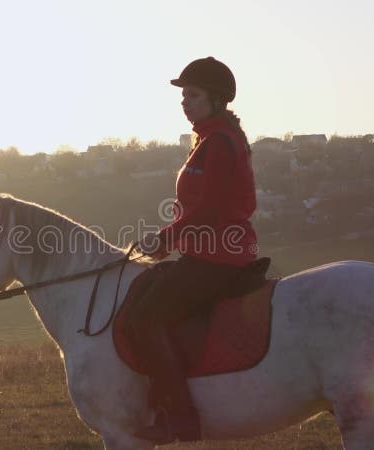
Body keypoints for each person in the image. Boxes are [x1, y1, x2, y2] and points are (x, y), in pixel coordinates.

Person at [129, 56, 259, 444]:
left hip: (218, 257)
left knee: (145, 320)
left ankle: (181, 419)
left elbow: (210, 209)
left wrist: (163, 239)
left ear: (216, 99)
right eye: (183, 95)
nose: (185, 102)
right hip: (204, 253)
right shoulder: (209, 138)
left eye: (193, 95)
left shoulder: (219, 142)